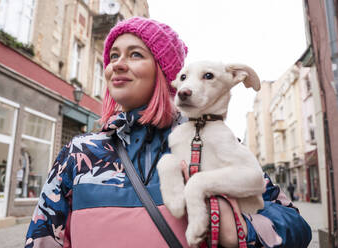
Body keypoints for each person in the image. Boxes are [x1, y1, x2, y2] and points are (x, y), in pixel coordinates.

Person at [25, 16, 311, 248]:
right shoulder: (79, 154)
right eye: (113, 56)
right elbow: (42, 238)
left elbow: (295, 226)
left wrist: (240, 229)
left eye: (135, 54)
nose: (117, 64)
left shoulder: (213, 142)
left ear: (165, 72)